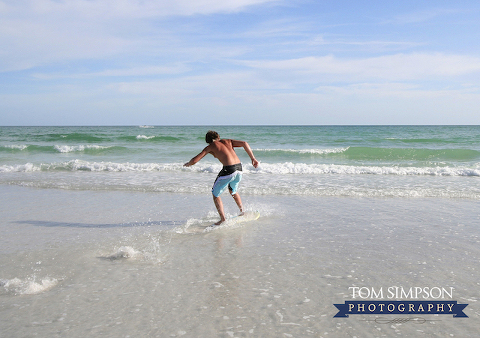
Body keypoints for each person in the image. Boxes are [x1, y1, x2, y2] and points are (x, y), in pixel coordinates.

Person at [184, 130, 259, 225]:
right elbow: (244, 143)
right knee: (233, 191)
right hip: (239, 168)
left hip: (229, 169)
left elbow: (195, 160)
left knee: (215, 194)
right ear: (218, 137)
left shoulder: (210, 146)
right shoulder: (227, 141)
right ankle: (242, 211)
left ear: (208, 141)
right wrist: (253, 158)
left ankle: (223, 219)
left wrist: (188, 164)